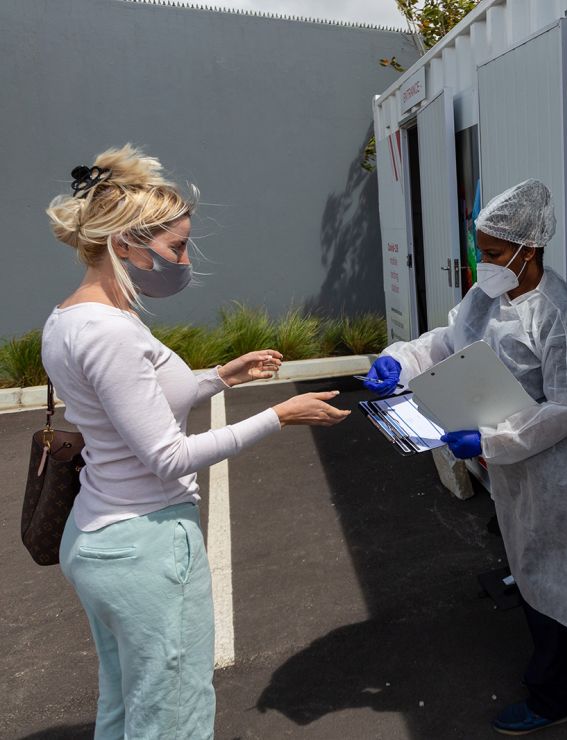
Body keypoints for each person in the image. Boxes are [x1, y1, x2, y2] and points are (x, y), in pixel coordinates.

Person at [41, 145, 350, 739]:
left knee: (129, 705)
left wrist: (218, 377)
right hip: (146, 547)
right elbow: (168, 456)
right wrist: (278, 416)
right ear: (124, 243)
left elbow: (128, 409)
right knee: (172, 717)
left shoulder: (72, 318)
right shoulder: (111, 333)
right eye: (176, 247)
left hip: (102, 537)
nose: (183, 259)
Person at [365, 179, 567, 735]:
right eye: (482, 250)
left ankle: (553, 696)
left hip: (563, 463)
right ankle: (566, 646)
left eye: (496, 253)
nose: (486, 264)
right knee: (531, 558)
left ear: (529, 250)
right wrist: (398, 361)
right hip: (519, 458)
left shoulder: (561, 316)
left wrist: (489, 441)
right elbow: (448, 340)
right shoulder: (490, 294)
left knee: (552, 563)